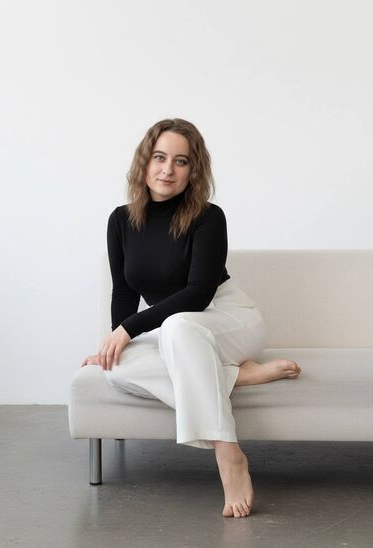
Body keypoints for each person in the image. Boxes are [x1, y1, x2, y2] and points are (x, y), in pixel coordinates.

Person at [81, 118, 302, 519]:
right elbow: (125, 291)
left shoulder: (208, 216)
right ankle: (235, 376)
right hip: (177, 331)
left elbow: (199, 294)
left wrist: (130, 329)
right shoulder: (120, 220)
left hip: (227, 317)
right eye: (159, 157)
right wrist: (115, 339)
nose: (168, 169)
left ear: (193, 170)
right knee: (116, 368)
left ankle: (228, 453)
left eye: (180, 161)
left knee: (178, 325)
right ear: (144, 162)